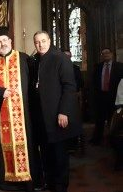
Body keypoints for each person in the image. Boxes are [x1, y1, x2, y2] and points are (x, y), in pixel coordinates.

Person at [0, 26, 34, 191]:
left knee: (26, 145)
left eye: (4, 40)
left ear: (10, 41)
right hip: (1, 115)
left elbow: (34, 84)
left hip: (23, 115)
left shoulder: (24, 59)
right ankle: (6, 182)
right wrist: (0, 92)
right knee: (2, 146)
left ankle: (26, 181)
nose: (2, 44)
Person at [30, 31, 82, 192]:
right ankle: (50, 182)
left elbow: (69, 86)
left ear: (49, 41)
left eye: (43, 41)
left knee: (59, 154)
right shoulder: (36, 60)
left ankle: (60, 186)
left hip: (57, 115)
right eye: (37, 42)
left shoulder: (60, 58)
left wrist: (64, 112)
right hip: (41, 116)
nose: (40, 44)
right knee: (46, 152)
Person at [90, 48, 123, 145]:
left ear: (112, 54)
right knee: (99, 119)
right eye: (103, 53)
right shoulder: (98, 67)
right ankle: (97, 139)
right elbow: (94, 82)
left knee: (112, 119)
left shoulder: (119, 66)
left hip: (114, 97)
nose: (106, 55)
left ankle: (112, 140)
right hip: (101, 97)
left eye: (107, 53)